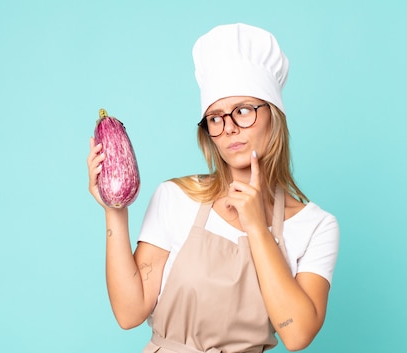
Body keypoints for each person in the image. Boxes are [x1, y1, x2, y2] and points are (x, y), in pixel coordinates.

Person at [87, 23, 339, 353]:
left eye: (244, 111)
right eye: (216, 118)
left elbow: (297, 334)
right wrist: (115, 212)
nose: (230, 128)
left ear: (274, 116)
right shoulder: (175, 197)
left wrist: (256, 229)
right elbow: (129, 313)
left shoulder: (316, 226)